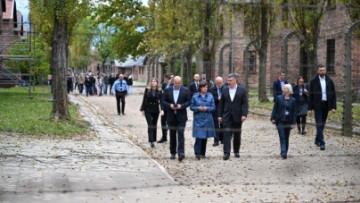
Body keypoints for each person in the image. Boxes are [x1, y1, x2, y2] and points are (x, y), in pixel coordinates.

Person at [218, 73, 248, 160]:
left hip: (238, 116)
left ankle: (236, 151)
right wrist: (219, 116)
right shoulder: (225, 90)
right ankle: (226, 153)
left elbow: (245, 104)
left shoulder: (242, 90)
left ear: (235, 80)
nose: (228, 82)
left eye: (230, 81)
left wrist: (244, 114)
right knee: (226, 134)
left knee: (237, 134)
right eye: (227, 80)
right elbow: (221, 104)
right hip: (227, 116)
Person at [162, 76, 191, 161]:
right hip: (171, 116)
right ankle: (173, 152)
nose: (177, 85)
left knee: (181, 134)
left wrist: (181, 106)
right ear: (173, 82)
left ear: (180, 82)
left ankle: (181, 153)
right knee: (172, 135)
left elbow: (189, 101)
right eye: (176, 83)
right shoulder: (167, 90)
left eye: (179, 83)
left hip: (181, 116)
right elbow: (163, 101)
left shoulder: (185, 90)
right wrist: (169, 105)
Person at [308, 65, 337, 151]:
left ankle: (317, 139)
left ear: (325, 71)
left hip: (326, 104)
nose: (322, 72)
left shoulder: (330, 81)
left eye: (323, 70)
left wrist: (334, 107)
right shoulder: (313, 81)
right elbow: (310, 95)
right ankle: (322, 142)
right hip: (317, 105)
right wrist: (309, 108)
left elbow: (333, 95)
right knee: (319, 123)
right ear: (318, 71)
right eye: (320, 70)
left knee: (322, 123)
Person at [190, 81, 216, 160]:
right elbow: (191, 107)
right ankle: (197, 153)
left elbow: (213, 107)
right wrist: (198, 108)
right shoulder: (195, 96)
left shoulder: (210, 96)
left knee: (205, 137)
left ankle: (203, 153)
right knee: (199, 136)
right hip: (199, 118)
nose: (206, 88)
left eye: (206, 87)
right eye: (204, 87)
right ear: (200, 88)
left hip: (208, 118)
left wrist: (207, 108)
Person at [271, 84, 296, 159]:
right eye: (283, 88)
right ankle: (283, 152)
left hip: (289, 121)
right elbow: (275, 109)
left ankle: (285, 151)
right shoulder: (279, 98)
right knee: (282, 137)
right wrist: (273, 118)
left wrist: (294, 122)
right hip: (280, 120)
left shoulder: (293, 100)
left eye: (285, 88)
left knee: (286, 137)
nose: (283, 89)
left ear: (288, 90)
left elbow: (294, 112)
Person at [140, 78, 163, 148]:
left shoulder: (159, 91)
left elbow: (161, 101)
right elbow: (144, 99)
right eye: (152, 81)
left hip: (156, 109)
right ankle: (151, 140)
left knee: (154, 124)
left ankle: (154, 139)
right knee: (150, 124)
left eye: (154, 81)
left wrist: (162, 110)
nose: (153, 83)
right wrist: (142, 109)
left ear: (157, 83)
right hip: (148, 109)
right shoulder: (147, 90)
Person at [158, 73, 174, 143]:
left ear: (167, 79)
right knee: (162, 121)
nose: (164, 80)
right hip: (164, 106)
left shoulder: (173, 85)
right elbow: (162, 97)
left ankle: (172, 138)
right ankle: (164, 136)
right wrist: (162, 108)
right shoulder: (164, 85)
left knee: (170, 122)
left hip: (170, 106)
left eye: (165, 79)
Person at [209, 76, 224, 146]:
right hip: (215, 109)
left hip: (223, 109)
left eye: (221, 83)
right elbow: (210, 99)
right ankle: (216, 140)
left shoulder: (225, 88)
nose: (219, 84)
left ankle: (222, 139)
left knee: (223, 124)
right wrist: (217, 98)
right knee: (215, 125)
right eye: (218, 83)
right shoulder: (212, 89)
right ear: (216, 83)